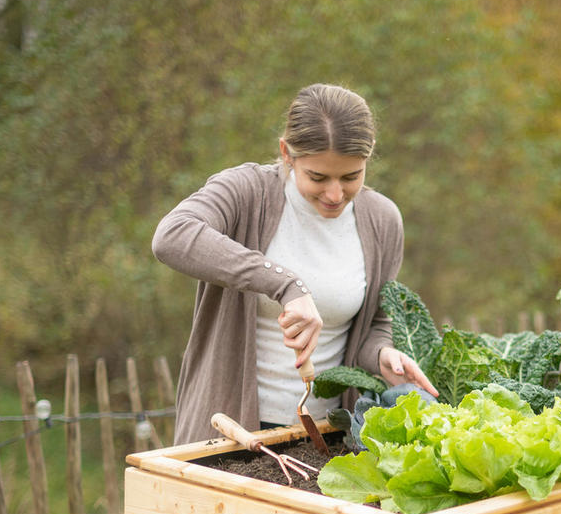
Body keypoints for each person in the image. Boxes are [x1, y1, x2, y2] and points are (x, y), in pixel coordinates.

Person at [153, 83, 437, 445]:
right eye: (318, 177)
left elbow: (375, 325)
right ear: (287, 153)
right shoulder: (246, 192)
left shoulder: (382, 220)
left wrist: (381, 355)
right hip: (230, 434)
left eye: (351, 177)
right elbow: (172, 236)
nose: (335, 194)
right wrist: (285, 284)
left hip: (329, 436)